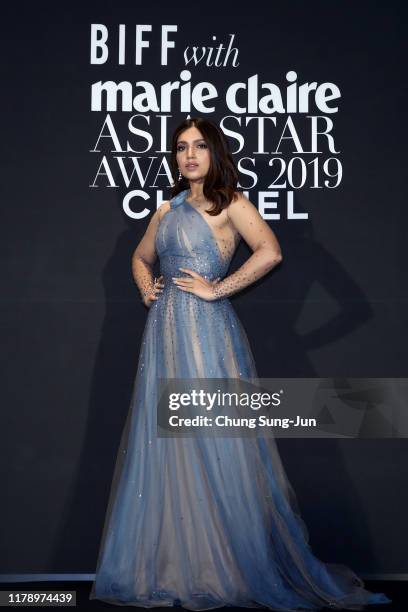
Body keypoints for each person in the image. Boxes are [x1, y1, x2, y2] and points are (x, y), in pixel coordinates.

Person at [89, 117, 391, 610]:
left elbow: (270, 252)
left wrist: (217, 289)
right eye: (182, 147)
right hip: (163, 338)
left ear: (215, 153)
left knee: (217, 442)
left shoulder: (231, 204)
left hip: (208, 336)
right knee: (165, 445)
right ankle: (172, 565)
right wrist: (148, 289)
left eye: (200, 147)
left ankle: (221, 564)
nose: (189, 155)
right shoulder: (166, 210)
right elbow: (140, 258)